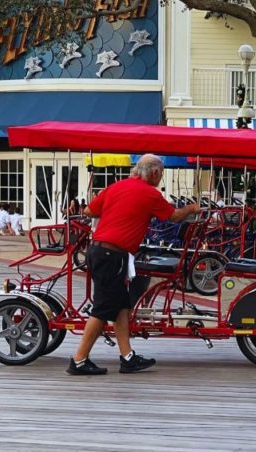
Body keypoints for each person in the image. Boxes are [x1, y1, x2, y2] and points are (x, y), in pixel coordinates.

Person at [68, 154, 200, 375]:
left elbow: (90, 211)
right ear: (155, 172)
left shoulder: (116, 186)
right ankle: (79, 360)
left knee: (121, 306)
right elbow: (174, 216)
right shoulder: (150, 193)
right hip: (112, 255)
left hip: (99, 250)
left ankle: (127, 357)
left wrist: (117, 211)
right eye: (161, 175)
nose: (160, 179)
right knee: (102, 308)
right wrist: (192, 209)